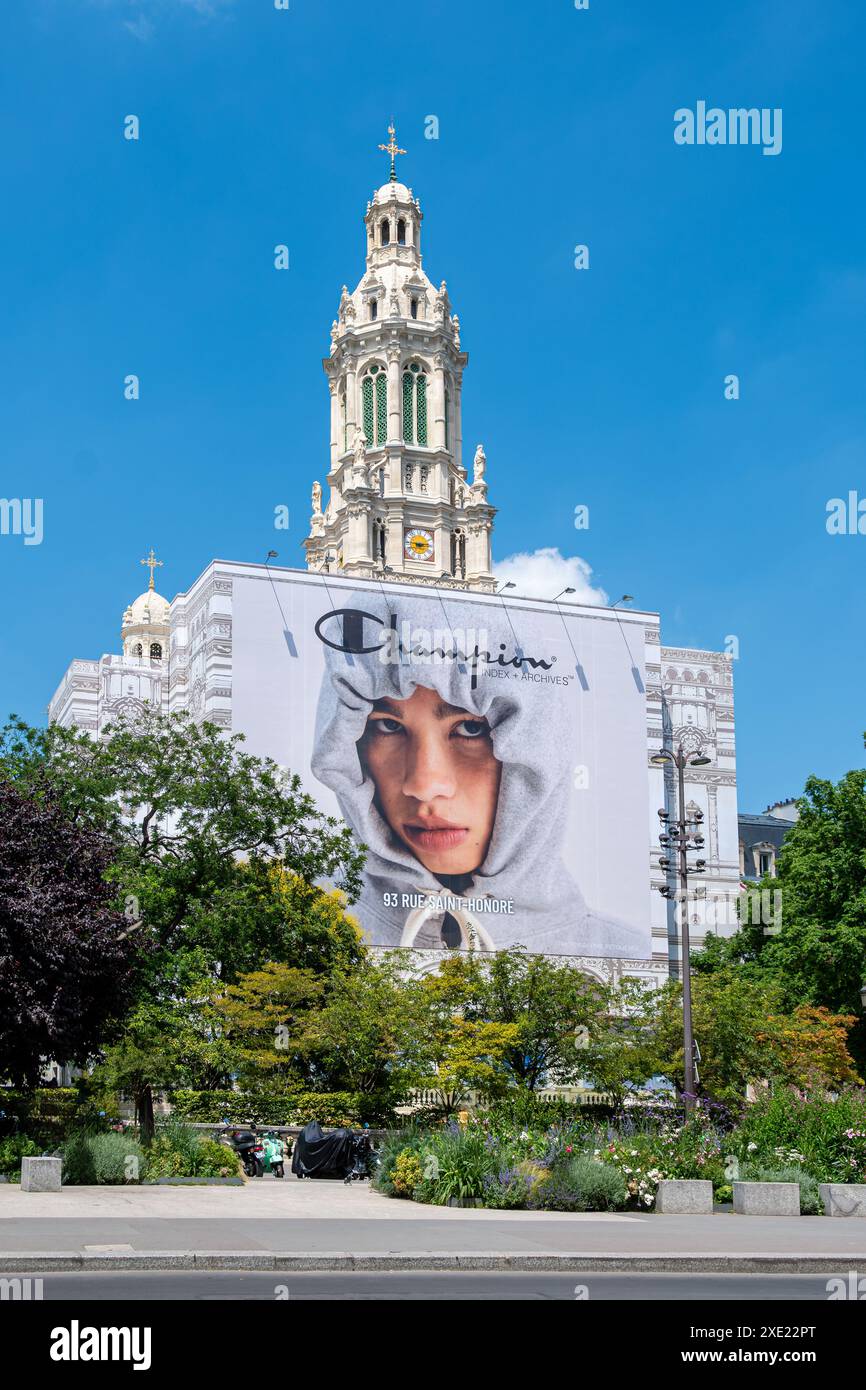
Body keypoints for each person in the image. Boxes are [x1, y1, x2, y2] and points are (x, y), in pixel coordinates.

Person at [311, 591, 646, 956]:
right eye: (388, 727)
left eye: (471, 730)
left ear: (538, 747)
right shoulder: (293, 929)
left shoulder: (622, 956)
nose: (424, 786)